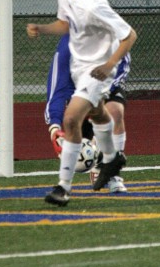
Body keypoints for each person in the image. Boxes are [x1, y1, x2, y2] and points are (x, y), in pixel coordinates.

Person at [27, 0, 137, 206]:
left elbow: (129, 34)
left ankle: (63, 187)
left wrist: (109, 65)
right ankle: (112, 159)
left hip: (97, 69)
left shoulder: (93, 4)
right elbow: (65, 24)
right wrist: (41, 28)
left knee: (71, 118)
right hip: (80, 65)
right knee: (99, 113)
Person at [45, 33, 130, 192]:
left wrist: (100, 95)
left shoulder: (111, 31)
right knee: (72, 122)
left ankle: (111, 173)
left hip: (107, 82)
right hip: (78, 90)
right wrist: (54, 127)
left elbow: (125, 54)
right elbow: (56, 89)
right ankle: (66, 184)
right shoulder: (66, 46)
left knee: (115, 111)